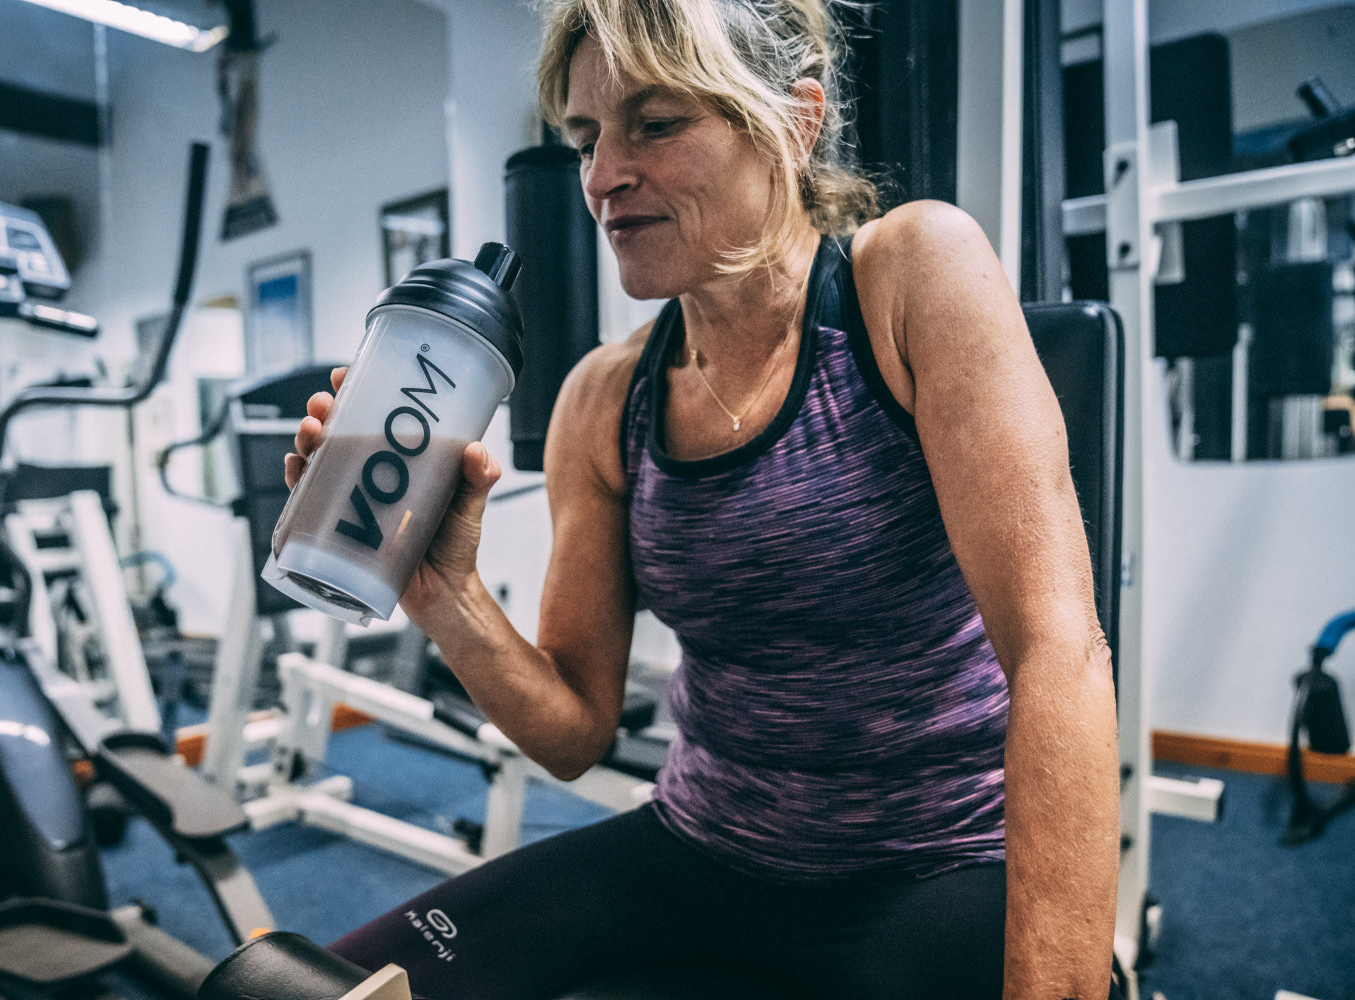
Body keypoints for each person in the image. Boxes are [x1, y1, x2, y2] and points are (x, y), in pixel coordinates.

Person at [285, 1, 1120, 997]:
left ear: (793, 122)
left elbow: (1058, 649)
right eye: (589, 138)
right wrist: (444, 592)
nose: (601, 178)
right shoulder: (603, 399)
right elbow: (575, 729)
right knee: (304, 992)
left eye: (656, 123)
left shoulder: (912, 276)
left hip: (933, 860)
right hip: (701, 848)